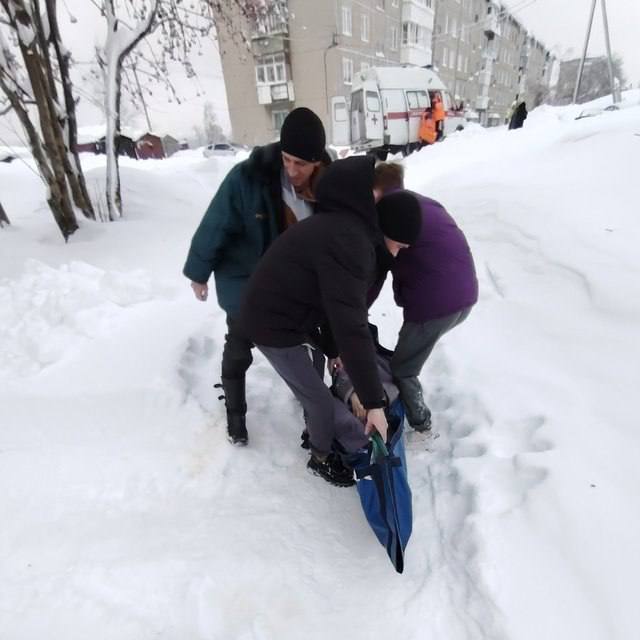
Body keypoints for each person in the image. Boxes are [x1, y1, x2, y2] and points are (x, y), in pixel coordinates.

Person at [238, 157, 422, 486]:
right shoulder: (349, 243)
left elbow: (335, 306)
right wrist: (373, 402)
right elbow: (351, 326)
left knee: (320, 371)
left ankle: (319, 414)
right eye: (400, 245)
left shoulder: (345, 229)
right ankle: (321, 456)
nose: (398, 253)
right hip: (270, 324)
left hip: (292, 311)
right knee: (319, 401)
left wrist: (333, 347)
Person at [183, 108, 331, 446]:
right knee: (238, 348)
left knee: (316, 340)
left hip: (295, 288)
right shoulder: (247, 178)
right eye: (287, 160)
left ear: (317, 162)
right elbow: (215, 224)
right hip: (246, 281)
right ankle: (236, 420)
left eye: (301, 164)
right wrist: (198, 272)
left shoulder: (327, 185)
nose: (292, 170)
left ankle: (311, 404)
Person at [369, 163, 478, 433]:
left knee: (403, 368)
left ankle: (421, 425)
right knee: (407, 357)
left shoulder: (390, 217)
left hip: (436, 304)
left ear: (377, 190)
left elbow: (381, 268)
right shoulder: (422, 204)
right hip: (464, 295)